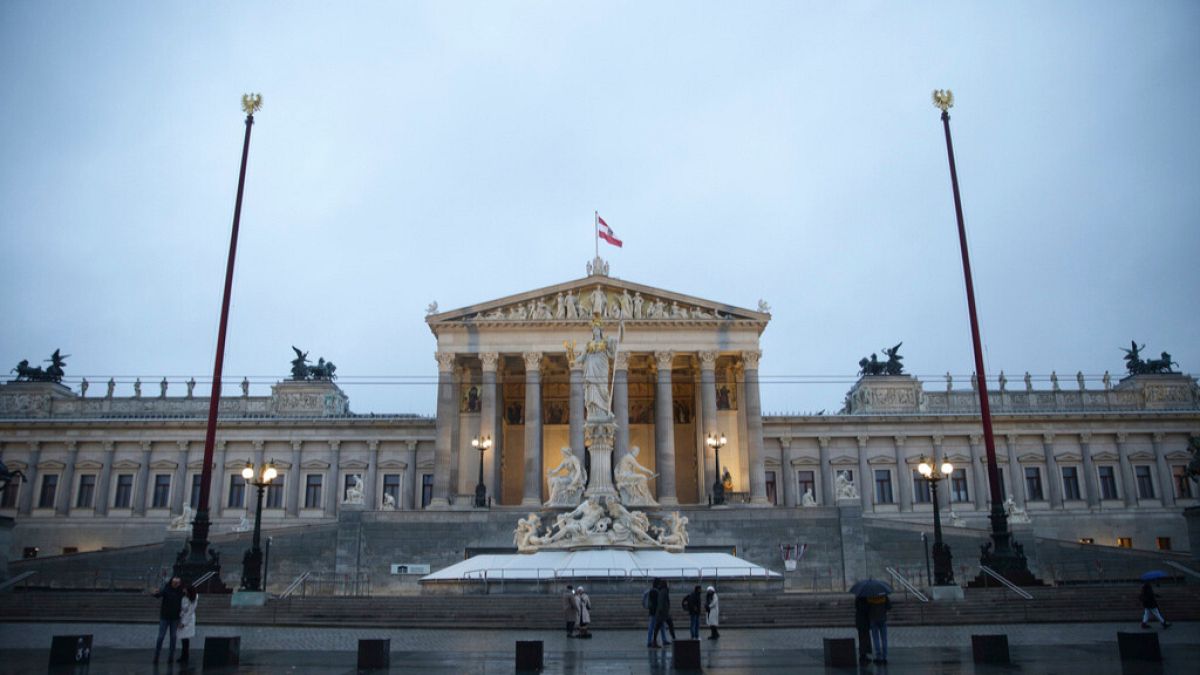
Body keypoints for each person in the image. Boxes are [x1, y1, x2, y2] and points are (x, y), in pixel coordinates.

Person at [152, 576, 185, 663]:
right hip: (165, 617)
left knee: (173, 637)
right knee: (161, 636)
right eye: (174, 582)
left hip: (175, 618)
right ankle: (157, 654)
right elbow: (158, 594)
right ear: (171, 582)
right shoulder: (167, 589)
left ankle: (171, 656)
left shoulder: (180, 592)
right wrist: (155, 593)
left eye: (177, 583)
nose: (176, 584)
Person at [867, 594, 891, 663]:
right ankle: (884, 656)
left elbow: (867, 609)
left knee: (876, 638)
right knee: (884, 639)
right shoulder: (884, 597)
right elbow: (889, 607)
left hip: (873, 619)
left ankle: (878, 656)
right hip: (883, 619)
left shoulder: (870, 598)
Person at [177, 585, 198, 663]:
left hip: (188, 620)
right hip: (183, 617)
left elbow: (190, 611)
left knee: (185, 638)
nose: (183, 591)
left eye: (185, 589)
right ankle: (184, 655)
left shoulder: (193, 598)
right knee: (184, 638)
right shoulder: (184, 597)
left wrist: (183, 622)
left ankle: (185, 656)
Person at [655, 579, 675, 644]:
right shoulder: (663, 591)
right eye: (667, 583)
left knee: (660, 626)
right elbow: (661, 601)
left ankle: (674, 638)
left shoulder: (664, 591)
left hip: (664, 612)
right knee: (659, 626)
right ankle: (674, 638)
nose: (668, 584)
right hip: (663, 612)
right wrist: (661, 610)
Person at [854, 596, 872, 664]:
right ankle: (863, 655)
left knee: (862, 638)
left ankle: (864, 655)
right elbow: (865, 609)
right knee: (864, 638)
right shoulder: (863, 599)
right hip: (863, 622)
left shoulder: (858, 598)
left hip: (859, 621)